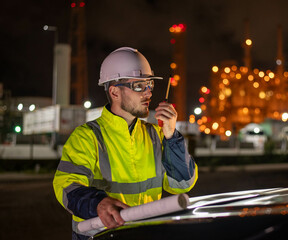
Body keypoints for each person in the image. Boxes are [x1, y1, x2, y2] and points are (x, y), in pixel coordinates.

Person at [53, 47, 198, 240]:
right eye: (139, 86)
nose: (148, 92)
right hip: (101, 236)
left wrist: (172, 138)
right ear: (114, 92)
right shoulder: (87, 137)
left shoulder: (157, 135)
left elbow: (182, 185)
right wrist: (98, 204)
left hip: (144, 234)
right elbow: (66, 186)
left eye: (149, 85)